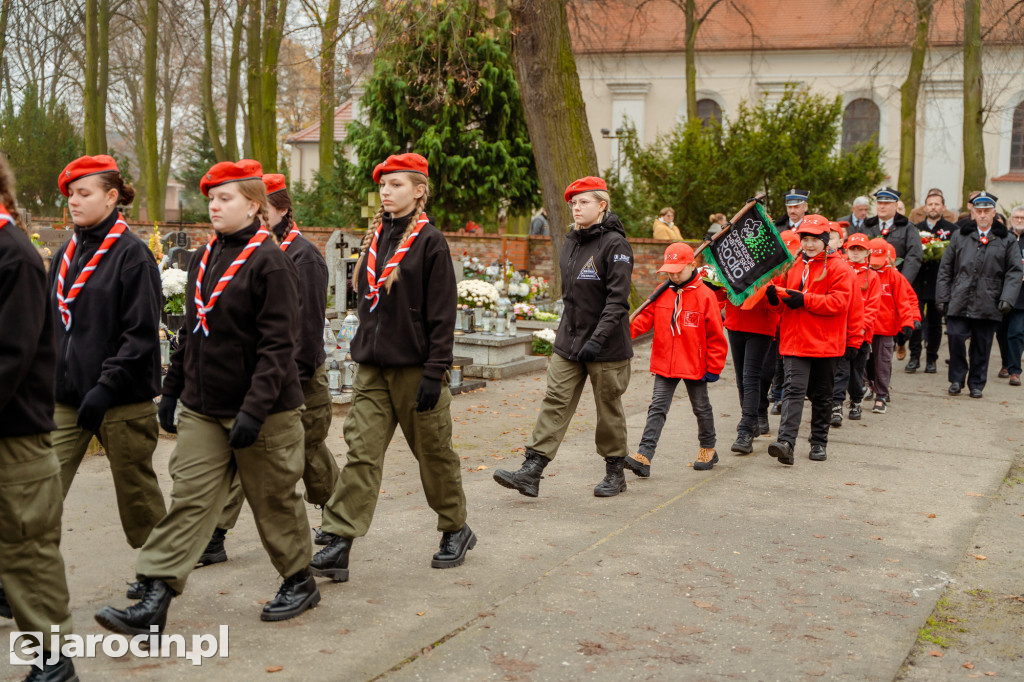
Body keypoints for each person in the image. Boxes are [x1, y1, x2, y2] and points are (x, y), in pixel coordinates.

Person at [95, 159, 319, 636]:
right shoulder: (203, 257)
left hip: (265, 412)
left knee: (274, 499)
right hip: (203, 406)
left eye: (225, 199)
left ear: (254, 205)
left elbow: (280, 346)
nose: (214, 206)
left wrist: (255, 409)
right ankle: (155, 595)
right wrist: (172, 392)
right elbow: (192, 333)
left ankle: (299, 579)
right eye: (211, 199)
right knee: (190, 499)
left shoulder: (272, 262)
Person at [310, 153, 475, 584]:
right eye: (383, 184)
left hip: (417, 369)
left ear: (419, 190)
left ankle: (456, 528)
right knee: (362, 453)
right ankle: (340, 540)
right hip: (372, 370)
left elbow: (442, 313)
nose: (387, 191)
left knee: (434, 455)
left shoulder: (430, 241)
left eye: (397, 184)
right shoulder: (376, 237)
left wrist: (434, 368)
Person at [199, 173, 340, 565]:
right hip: (263, 377)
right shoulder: (252, 251)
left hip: (300, 374)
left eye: (264, 209)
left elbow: (306, 331)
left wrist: (282, 379)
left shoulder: (303, 257)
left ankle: (340, 518)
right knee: (251, 455)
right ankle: (216, 535)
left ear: (278, 209)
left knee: (309, 452)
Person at [48, 155, 166, 552]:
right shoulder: (65, 255)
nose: (74, 202)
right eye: (70, 195)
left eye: (84, 193)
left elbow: (142, 333)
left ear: (111, 196)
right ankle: (15, 577)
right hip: (66, 397)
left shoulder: (132, 255)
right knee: (36, 489)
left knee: (139, 499)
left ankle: (158, 575)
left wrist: (106, 386)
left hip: (120, 399)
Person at [493, 176, 633, 497]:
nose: (576, 208)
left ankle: (615, 472)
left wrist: (597, 339)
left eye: (584, 202)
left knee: (607, 406)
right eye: (573, 203)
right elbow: (570, 296)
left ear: (602, 205)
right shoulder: (571, 241)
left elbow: (617, 301)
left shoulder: (615, 245)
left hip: (606, 346)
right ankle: (532, 470)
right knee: (555, 400)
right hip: (569, 342)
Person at [0, 159, 77, 681]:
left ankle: (52, 661)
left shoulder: (14, 255)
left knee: (26, 548)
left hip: (13, 433)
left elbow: (11, 354)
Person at [624, 243, 727, 474]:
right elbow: (643, 319)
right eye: (669, 270)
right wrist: (621, 334)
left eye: (678, 270)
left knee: (701, 407)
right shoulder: (661, 291)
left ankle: (708, 447)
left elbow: (716, 336)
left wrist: (714, 366)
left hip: (695, 364)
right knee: (657, 407)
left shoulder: (706, 296)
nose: (673, 275)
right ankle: (644, 455)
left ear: (693, 265)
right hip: (665, 361)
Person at [765, 215, 853, 465]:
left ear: (826, 240)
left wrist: (804, 299)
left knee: (822, 395)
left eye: (815, 239)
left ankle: (818, 441)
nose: (810, 244)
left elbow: (839, 303)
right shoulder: (791, 264)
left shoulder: (839, 267)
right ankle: (786, 442)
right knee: (793, 391)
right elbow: (780, 302)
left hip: (826, 344)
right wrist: (773, 299)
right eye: (805, 239)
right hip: (795, 341)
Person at [936, 191, 1023, 398]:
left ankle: (976, 383)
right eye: (979, 211)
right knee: (956, 337)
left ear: (994, 213)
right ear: (973, 212)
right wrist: (942, 297)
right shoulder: (960, 235)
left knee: (982, 344)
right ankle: (957, 379)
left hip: (989, 300)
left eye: (987, 211)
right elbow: (946, 268)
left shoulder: (1006, 240)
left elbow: (1014, 271)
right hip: (960, 298)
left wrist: (1007, 298)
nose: (982, 215)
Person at [722, 278, 781, 455]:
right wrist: (715, 285)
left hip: (760, 325)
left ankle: (745, 430)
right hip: (735, 321)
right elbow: (722, 294)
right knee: (741, 378)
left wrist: (773, 297)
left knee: (751, 377)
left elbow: (781, 302)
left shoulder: (774, 256)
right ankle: (751, 421)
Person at [865, 239, 917, 414]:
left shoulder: (894, 276)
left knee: (883, 363)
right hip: (866, 327)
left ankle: (881, 395)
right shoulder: (863, 274)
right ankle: (869, 386)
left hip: (886, 329)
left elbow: (904, 302)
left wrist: (907, 322)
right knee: (865, 362)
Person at [833, 233, 880, 423]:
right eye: (853, 249)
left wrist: (860, 328)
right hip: (841, 333)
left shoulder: (873, 276)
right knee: (840, 371)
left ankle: (855, 401)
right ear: (846, 249)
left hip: (861, 335)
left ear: (867, 253)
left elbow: (872, 307)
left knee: (856, 372)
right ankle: (836, 405)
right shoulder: (841, 270)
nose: (856, 253)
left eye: (860, 250)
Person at [908, 188, 957, 374]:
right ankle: (914, 357)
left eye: (937, 204)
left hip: (939, 283)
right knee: (915, 320)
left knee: (936, 323)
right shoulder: (915, 228)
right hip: (918, 283)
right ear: (925, 207)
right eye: (930, 204)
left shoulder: (952, 230)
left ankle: (931, 359)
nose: (933, 207)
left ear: (943, 207)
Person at [1003, 206, 1024, 386]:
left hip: (1022, 296)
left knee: (1016, 332)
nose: (1019, 220)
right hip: (1002, 293)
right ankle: (1005, 363)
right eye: (1016, 217)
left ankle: (1014, 370)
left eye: (1022, 218)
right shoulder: (1005, 238)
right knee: (1001, 333)